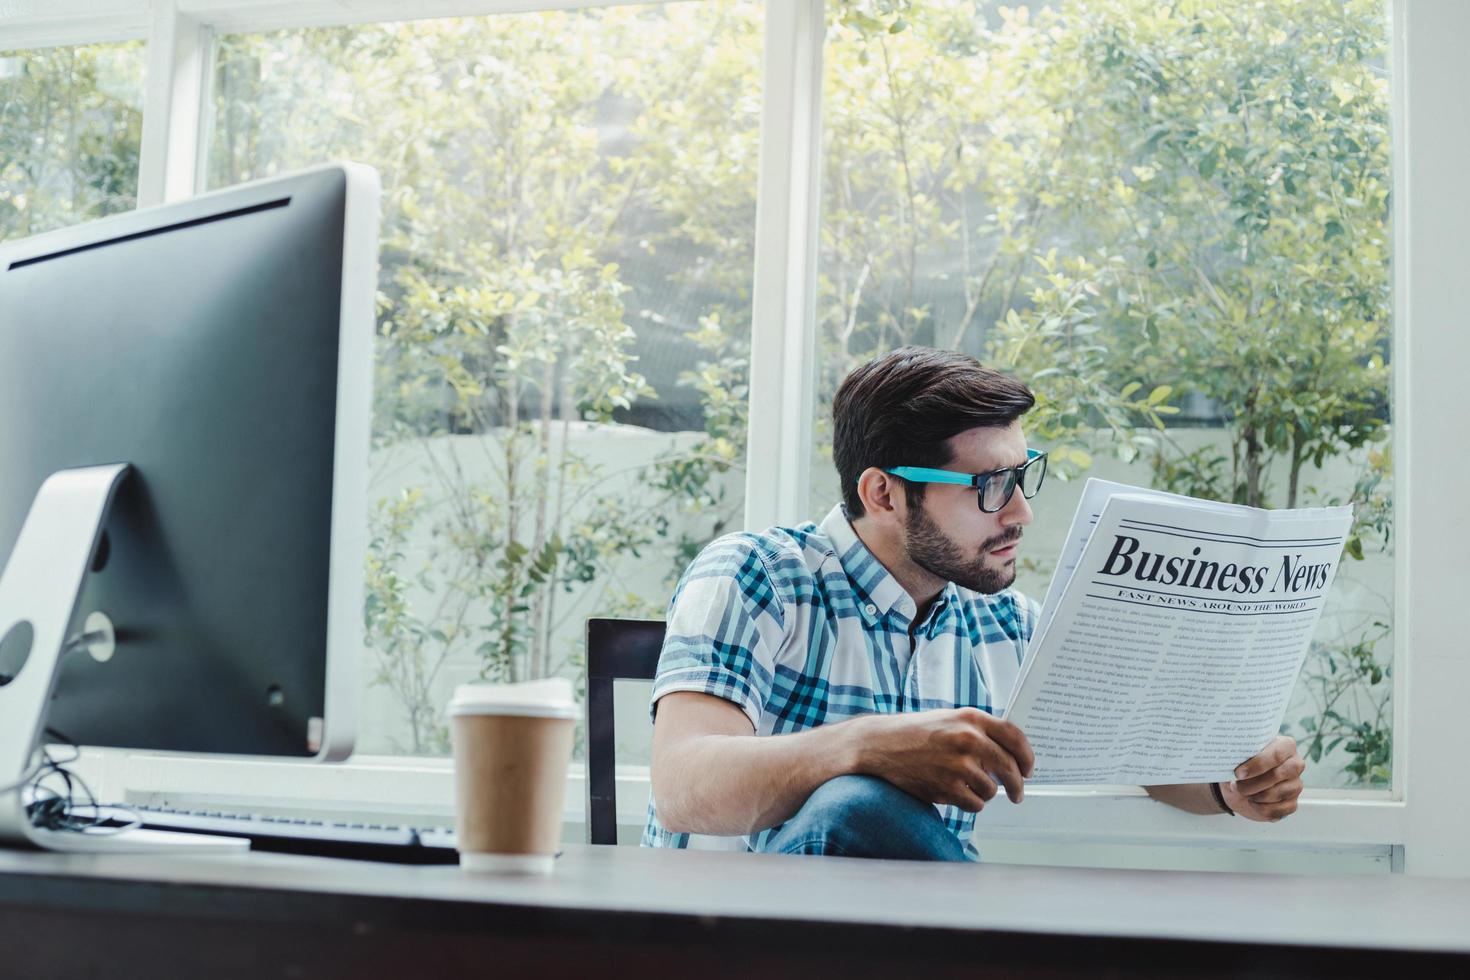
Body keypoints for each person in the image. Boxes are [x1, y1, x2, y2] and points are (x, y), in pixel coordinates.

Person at [643, 346, 1307, 860]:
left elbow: (1146, 762)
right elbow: (681, 786)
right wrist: (863, 747)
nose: (1019, 511)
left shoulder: (1005, 624)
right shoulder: (757, 575)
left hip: (908, 953)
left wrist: (1231, 786)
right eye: (989, 485)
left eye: (1021, 476)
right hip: (740, 945)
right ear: (882, 495)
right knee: (855, 806)